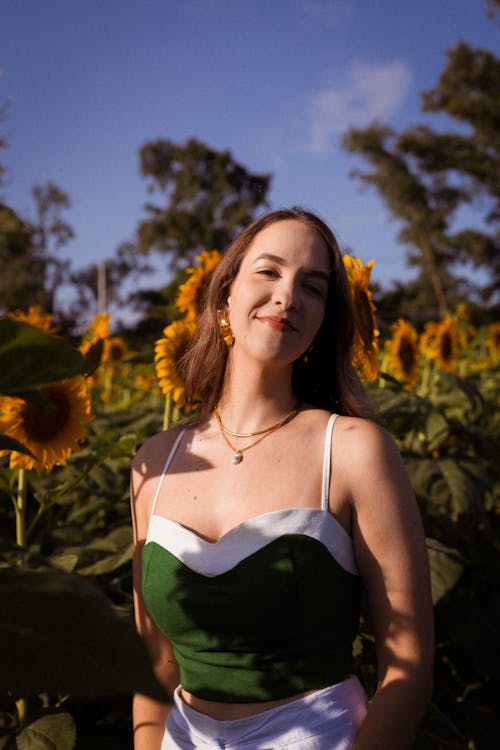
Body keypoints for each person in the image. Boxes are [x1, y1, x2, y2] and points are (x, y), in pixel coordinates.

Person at [130, 207, 434, 750]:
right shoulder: (153, 462)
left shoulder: (353, 450)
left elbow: (407, 670)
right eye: (268, 272)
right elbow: (154, 665)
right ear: (224, 297)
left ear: (323, 321)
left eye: (312, 287)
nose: (288, 294)